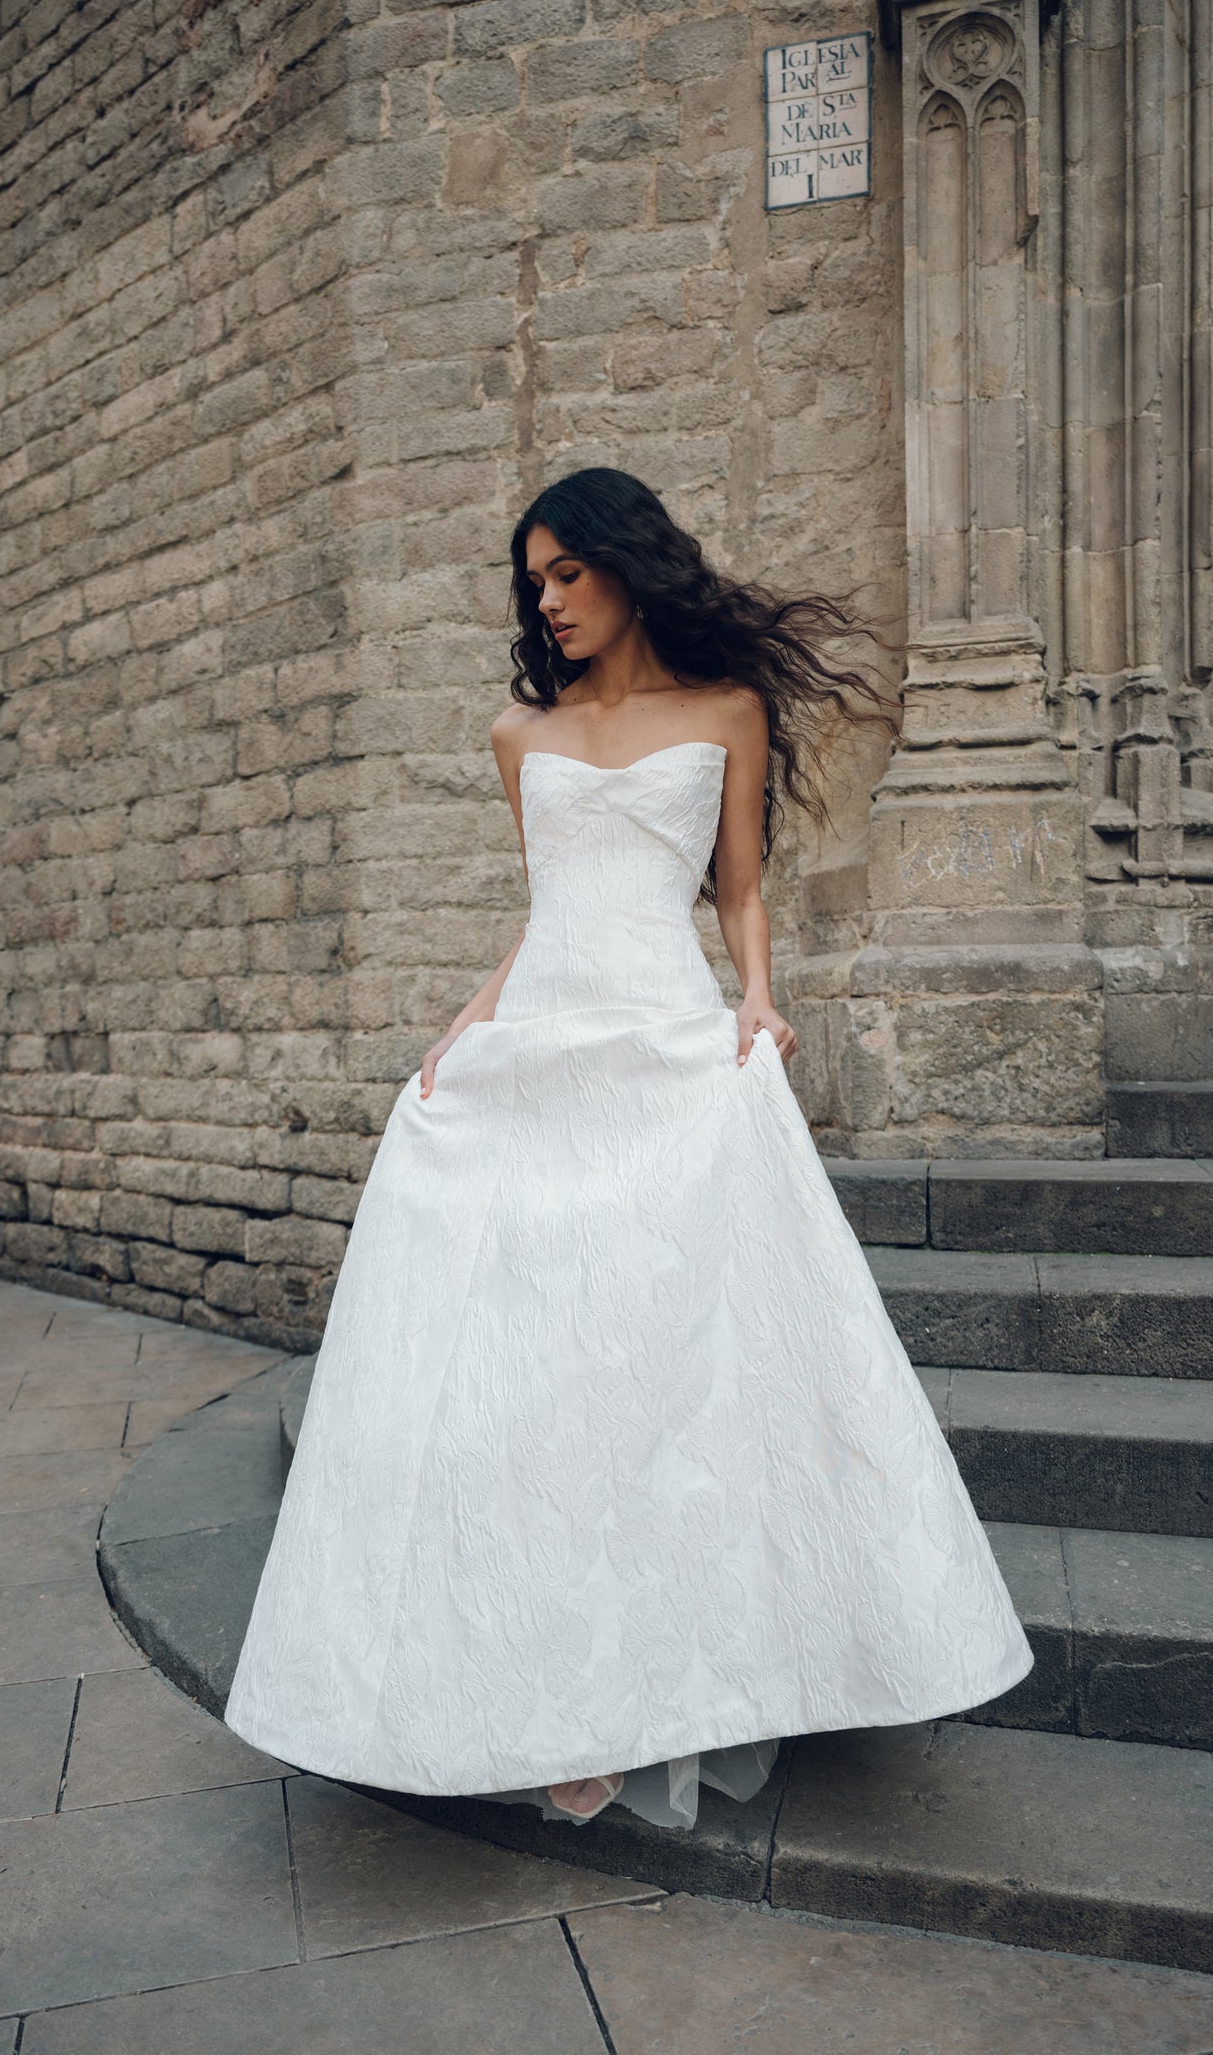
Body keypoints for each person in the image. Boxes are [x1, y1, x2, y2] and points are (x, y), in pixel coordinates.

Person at [223, 466, 1035, 1831]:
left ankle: (688, 1665)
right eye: (531, 583)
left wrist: (760, 1002)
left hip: (663, 1040)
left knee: (661, 1362)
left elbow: (737, 888)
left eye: (565, 573)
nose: (547, 602)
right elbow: (553, 917)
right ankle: (523, 1678)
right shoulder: (517, 736)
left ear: (624, 563)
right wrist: (464, 1028)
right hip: (543, 1045)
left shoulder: (727, 712)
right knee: (535, 1371)